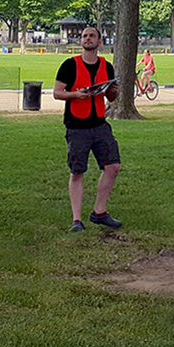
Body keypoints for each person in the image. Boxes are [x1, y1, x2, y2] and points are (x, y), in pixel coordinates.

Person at [53, 25, 122, 232]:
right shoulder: (69, 65)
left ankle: (99, 212)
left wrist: (113, 92)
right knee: (77, 172)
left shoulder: (106, 66)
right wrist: (75, 95)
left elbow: (111, 97)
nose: (88, 38)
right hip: (77, 126)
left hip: (100, 124)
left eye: (92, 36)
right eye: (85, 36)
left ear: (99, 42)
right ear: (81, 41)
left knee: (113, 166)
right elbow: (57, 93)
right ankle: (77, 220)